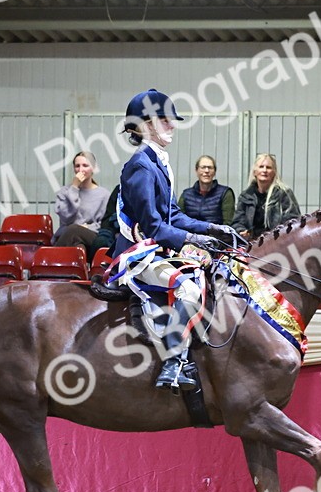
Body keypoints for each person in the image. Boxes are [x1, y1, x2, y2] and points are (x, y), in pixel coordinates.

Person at [113, 88, 236, 392]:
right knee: (189, 290)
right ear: (146, 124)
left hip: (155, 248)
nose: (172, 125)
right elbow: (154, 226)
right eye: (165, 120)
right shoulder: (140, 165)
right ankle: (173, 362)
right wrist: (193, 239)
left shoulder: (157, 162)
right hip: (137, 256)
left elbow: (173, 215)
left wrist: (213, 229)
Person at [231, 153, 301, 239]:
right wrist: (241, 230)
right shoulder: (246, 196)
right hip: (251, 243)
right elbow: (237, 222)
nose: (264, 170)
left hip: (277, 242)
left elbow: (293, 220)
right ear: (255, 172)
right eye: (261, 167)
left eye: (268, 167)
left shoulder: (284, 193)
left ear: (274, 172)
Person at [52, 150, 111, 247]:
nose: (80, 170)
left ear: (94, 168)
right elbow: (66, 218)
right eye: (77, 166)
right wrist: (74, 187)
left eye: (85, 165)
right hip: (67, 237)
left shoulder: (104, 195)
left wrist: (86, 227)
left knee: (74, 230)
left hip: (91, 236)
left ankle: (52, 258)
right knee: (78, 247)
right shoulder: (64, 192)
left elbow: (105, 224)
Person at [177, 155, 234, 225]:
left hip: (216, 235)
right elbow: (179, 220)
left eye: (210, 168)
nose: (206, 171)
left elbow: (228, 224)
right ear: (196, 170)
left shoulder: (225, 193)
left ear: (215, 172)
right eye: (203, 167)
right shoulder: (186, 195)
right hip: (191, 235)